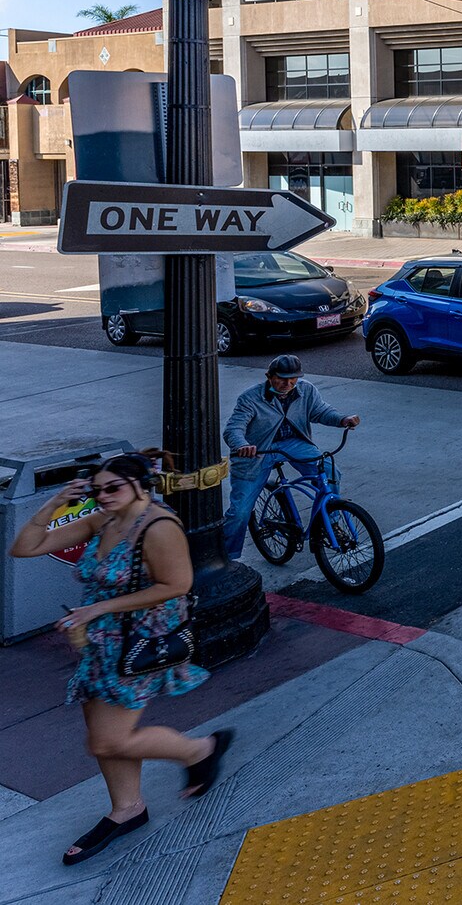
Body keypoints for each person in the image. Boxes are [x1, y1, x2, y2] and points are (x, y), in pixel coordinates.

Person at [8, 454, 230, 865]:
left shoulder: (159, 527)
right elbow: (24, 547)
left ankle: (199, 750)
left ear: (141, 484)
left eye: (113, 487)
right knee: (104, 733)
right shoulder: (103, 520)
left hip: (138, 642)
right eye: (97, 490)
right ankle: (127, 808)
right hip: (98, 643)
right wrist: (54, 503)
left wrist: (99, 609)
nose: (104, 496)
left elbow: (177, 584)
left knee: (106, 740)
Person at [221, 355, 359, 562]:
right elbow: (234, 428)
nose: (288, 383)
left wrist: (342, 419)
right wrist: (242, 445)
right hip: (259, 450)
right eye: (282, 378)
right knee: (240, 512)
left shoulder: (306, 390)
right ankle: (227, 560)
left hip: (294, 443)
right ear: (269, 376)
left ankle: (329, 523)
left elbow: (321, 411)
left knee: (329, 471)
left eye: (293, 378)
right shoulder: (250, 398)